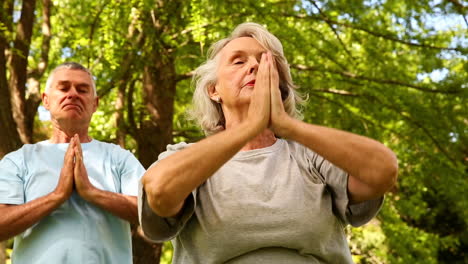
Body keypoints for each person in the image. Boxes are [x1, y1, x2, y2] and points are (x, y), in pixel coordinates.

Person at [139, 23, 398, 263]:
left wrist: (287, 126)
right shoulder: (188, 158)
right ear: (214, 90)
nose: (253, 66)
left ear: (279, 84)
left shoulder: (311, 156)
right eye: (238, 61)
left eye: (264, 62)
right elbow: (160, 191)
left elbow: (383, 171)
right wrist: (250, 127)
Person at [0, 62, 145, 264]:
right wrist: (57, 195)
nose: (73, 94)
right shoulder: (19, 160)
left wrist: (92, 192)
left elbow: (153, 212)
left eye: (82, 89)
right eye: (64, 87)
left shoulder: (120, 158)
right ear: (46, 100)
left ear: (95, 104)